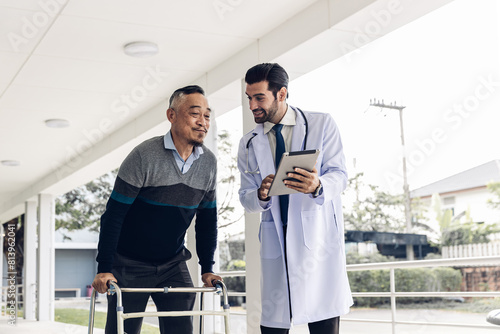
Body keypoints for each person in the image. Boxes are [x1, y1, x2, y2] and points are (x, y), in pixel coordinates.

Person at [92, 85, 222, 334]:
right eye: (195, 113)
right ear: (171, 115)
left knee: (182, 328)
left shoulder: (209, 163)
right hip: (128, 263)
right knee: (121, 329)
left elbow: (207, 220)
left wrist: (207, 268)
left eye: (207, 115)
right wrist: (104, 268)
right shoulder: (144, 156)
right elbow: (114, 215)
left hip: (172, 263)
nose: (203, 122)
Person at [237, 63, 353, 334]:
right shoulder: (249, 143)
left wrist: (318, 184)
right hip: (276, 243)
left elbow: (340, 175)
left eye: (259, 98)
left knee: (323, 322)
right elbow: (246, 198)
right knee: (273, 325)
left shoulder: (321, 124)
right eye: (249, 98)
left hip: (316, 242)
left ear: (281, 94)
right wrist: (260, 195)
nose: (252, 105)